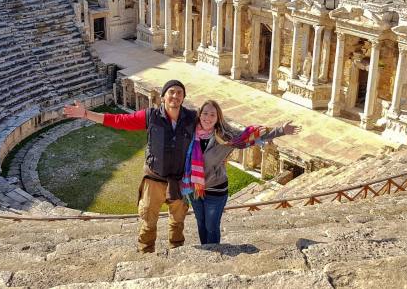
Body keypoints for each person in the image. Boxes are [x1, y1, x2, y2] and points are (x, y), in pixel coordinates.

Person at [62, 80, 196, 253]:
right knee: (148, 222)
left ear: (183, 97)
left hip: (178, 180)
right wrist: (86, 113)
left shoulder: (192, 118)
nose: (175, 96)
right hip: (154, 180)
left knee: (178, 221)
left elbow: (212, 126)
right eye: (171, 92)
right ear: (163, 97)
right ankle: (146, 254)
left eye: (179, 92)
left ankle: (178, 251)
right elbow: (120, 120)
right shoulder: (151, 116)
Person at [182, 99, 300, 245]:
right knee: (200, 223)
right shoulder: (189, 133)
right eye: (205, 113)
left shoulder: (226, 136)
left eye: (212, 115)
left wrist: (281, 130)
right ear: (199, 115)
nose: (208, 118)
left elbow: (251, 135)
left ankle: (214, 254)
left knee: (211, 227)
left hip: (215, 189)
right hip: (195, 189)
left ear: (218, 118)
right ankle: (207, 250)